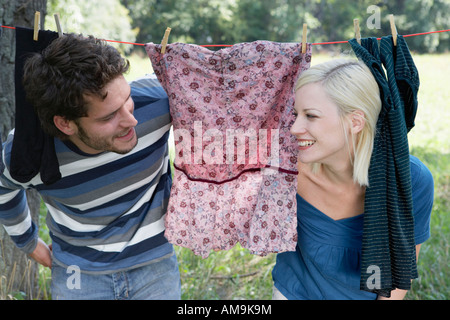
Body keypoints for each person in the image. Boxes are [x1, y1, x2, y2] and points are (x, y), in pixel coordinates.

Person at [0, 33, 181, 300]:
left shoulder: (158, 102)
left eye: (127, 99)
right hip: (77, 275)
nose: (131, 120)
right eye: (109, 116)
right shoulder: (30, 152)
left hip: (156, 269)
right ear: (65, 124)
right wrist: (27, 242)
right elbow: (3, 187)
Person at [271, 59, 434, 300]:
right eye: (296, 114)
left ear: (355, 122)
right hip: (295, 292)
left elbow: (400, 271)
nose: (294, 128)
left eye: (311, 116)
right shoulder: (286, 170)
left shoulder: (409, 180)